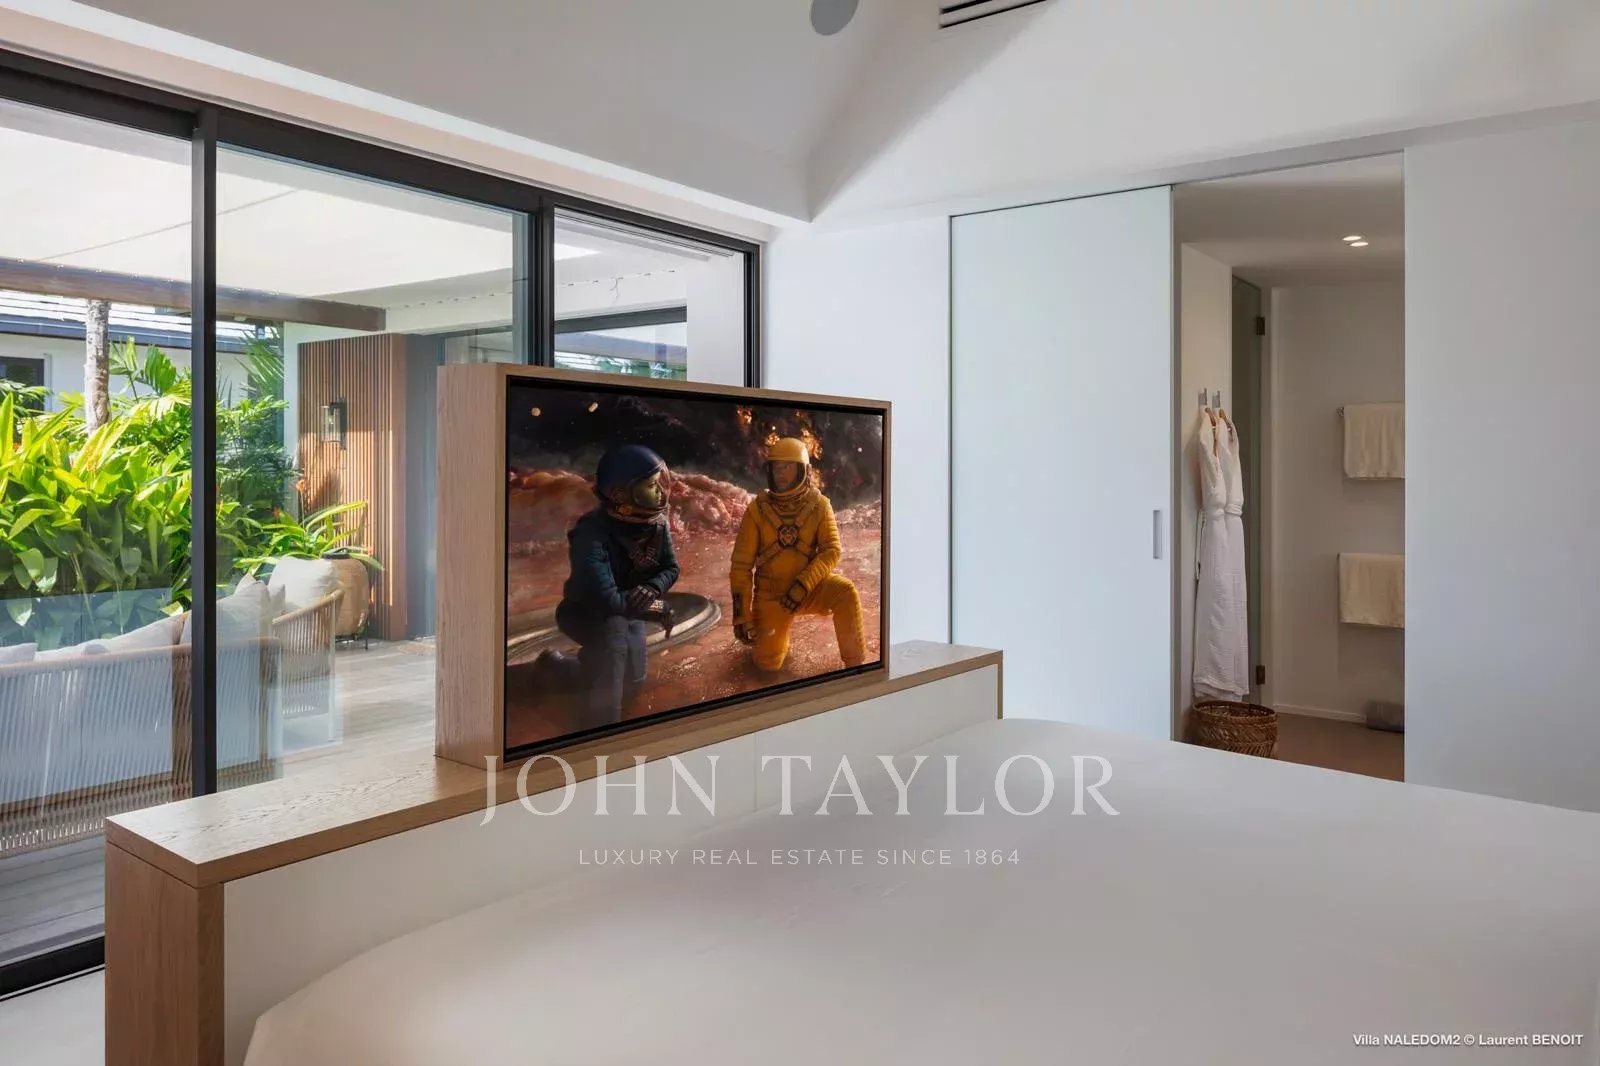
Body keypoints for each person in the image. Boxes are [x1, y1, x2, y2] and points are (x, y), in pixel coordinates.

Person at [538, 444, 679, 725]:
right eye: (651, 486)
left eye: (659, 483)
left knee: (634, 679)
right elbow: (607, 600)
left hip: (629, 608)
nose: (660, 492)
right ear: (621, 496)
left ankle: (562, 667)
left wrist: (652, 589)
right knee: (614, 646)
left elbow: (671, 568)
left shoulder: (658, 525)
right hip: (587, 613)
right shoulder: (590, 534)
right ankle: (600, 726)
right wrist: (656, 606)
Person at [728, 437, 865, 672]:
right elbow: (741, 567)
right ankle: (776, 640)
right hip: (772, 596)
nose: (781, 474)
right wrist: (741, 616)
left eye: (788, 467)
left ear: (804, 471)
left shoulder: (819, 505)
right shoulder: (756, 511)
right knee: (768, 666)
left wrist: (804, 584)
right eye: (777, 468)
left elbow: (832, 550)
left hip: (809, 589)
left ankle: (857, 668)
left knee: (845, 593)